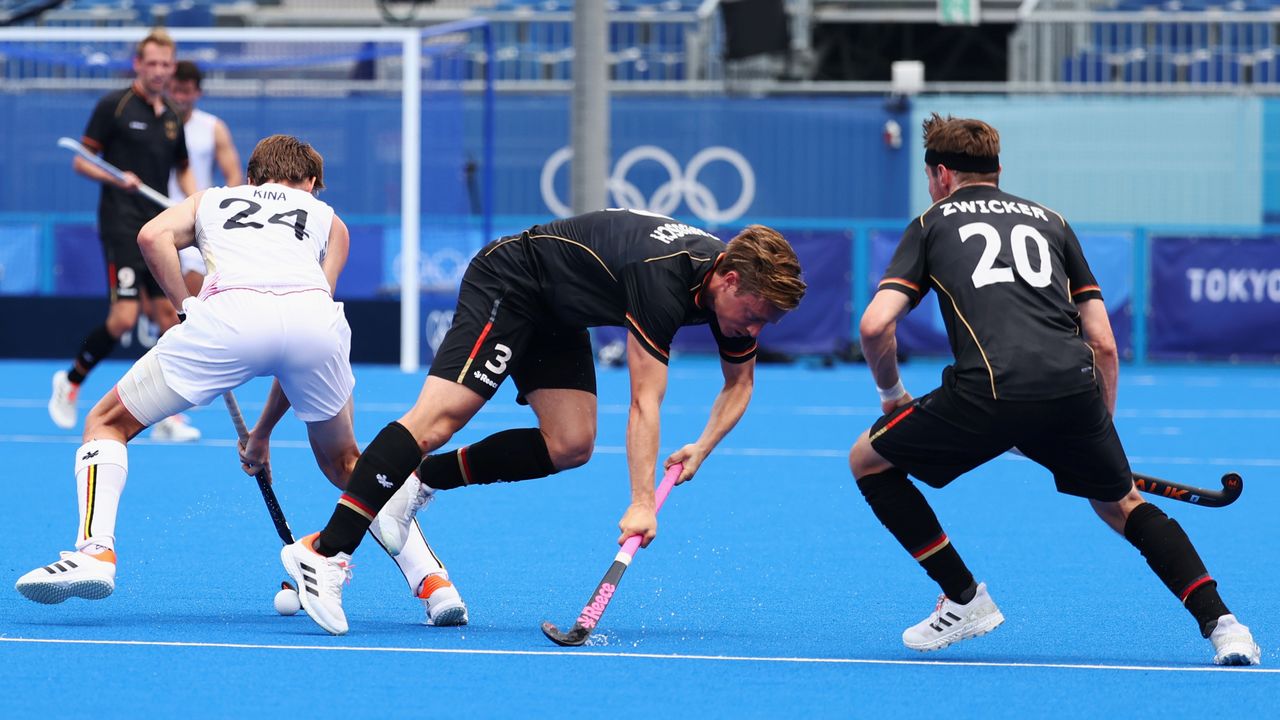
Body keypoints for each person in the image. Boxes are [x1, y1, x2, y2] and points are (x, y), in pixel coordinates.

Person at [847, 113, 1260, 666]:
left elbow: (876, 325)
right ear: (997, 171)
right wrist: (1099, 431)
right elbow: (1104, 344)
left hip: (985, 390)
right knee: (1121, 504)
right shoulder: (1052, 220)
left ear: (941, 174)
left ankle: (966, 598)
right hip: (1073, 389)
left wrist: (892, 394)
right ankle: (1225, 626)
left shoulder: (932, 222)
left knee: (867, 461)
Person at [277, 209, 807, 635]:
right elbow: (645, 401)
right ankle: (324, 552)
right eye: (756, 315)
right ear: (730, 279)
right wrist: (642, 502)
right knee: (438, 419)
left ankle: (414, 486)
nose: (755, 329)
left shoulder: (730, 287)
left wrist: (703, 445)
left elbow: (740, 384)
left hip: (561, 312)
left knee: (571, 443)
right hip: (514, 281)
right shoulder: (663, 278)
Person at [17, 135, 468, 627]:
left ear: (249, 179)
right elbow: (290, 340)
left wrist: (186, 309)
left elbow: (151, 237)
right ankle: (434, 584)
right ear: (313, 183)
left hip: (226, 320)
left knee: (107, 421)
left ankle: (95, 552)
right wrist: (263, 433)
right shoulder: (330, 220)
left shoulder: (212, 198)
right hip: (315, 324)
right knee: (348, 464)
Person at [49, 29, 200, 442]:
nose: (158, 71)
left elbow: (182, 167)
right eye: (150, 63)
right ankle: (71, 380)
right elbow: (83, 161)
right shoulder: (112, 106)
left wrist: (199, 201)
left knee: (170, 319)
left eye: (165, 64)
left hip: (159, 229)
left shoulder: (171, 115)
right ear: (138, 64)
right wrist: (118, 180)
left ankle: (164, 415)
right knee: (124, 318)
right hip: (121, 224)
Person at [166, 59, 244, 298]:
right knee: (156, 306)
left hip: (194, 217)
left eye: (186, 91)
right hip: (155, 212)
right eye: (175, 90)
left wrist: (221, 214)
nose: (179, 97)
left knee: (191, 289)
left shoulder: (213, 127)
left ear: (197, 92)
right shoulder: (154, 124)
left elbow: (234, 176)